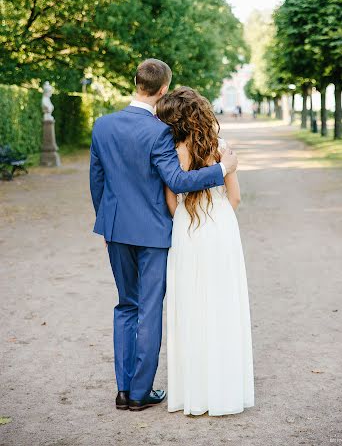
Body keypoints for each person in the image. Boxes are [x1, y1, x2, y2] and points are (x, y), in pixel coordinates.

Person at [89, 59, 238, 412]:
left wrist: (108, 219)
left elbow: (97, 181)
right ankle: (140, 394)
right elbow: (178, 182)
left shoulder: (103, 125)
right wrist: (222, 169)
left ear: (135, 82)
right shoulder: (159, 131)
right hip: (154, 232)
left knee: (126, 305)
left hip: (115, 229)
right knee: (149, 309)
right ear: (163, 89)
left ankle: (123, 390)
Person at [157, 87, 254, 416]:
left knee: (191, 306)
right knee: (223, 306)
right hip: (222, 228)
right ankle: (226, 390)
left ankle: (193, 394)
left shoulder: (172, 152)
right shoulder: (222, 149)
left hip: (188, 230)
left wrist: (186, 220)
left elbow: (172, 202)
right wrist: (219, 217)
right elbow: (236, 197)